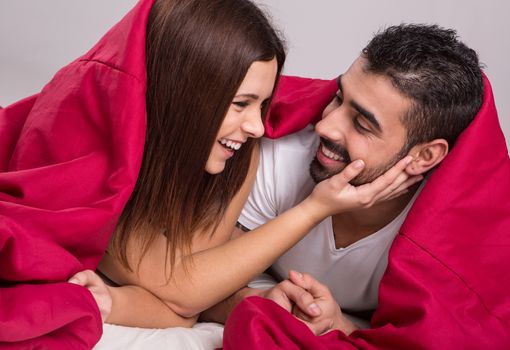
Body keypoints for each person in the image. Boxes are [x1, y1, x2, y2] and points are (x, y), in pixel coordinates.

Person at [0, 1, 415, 348]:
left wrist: (112, 302)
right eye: (240, 104)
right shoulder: (100, 158)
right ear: (182, 97)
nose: (257, 127)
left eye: (263, 105)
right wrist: (314, 209)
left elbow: (185, 306)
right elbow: (182, 288)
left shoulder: (235, 157)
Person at [204, 24, 510, 349]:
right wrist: (255, 301)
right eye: (339, 98)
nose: (325, 126)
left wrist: (339, 325)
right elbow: (199, 282)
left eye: (361, 124)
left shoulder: (439, 235)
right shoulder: (282, 156)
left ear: (424, 156)